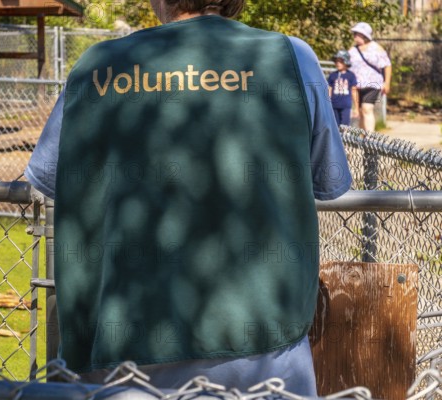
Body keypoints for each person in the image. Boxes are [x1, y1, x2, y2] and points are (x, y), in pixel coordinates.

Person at [25, 0, 351, 395]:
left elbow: (47, 176)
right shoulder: (290, 57)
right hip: (264, 354)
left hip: (115, 352)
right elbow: (328, 182)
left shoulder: (99, 64)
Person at [348, 22, 392, 132]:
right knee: (361, 112)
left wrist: (387, 83)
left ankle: (370, 138)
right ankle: (363, 138)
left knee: (367, 108)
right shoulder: (352, 50)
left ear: (364, 35)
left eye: (357, 34)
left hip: (372, 84)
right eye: (354, 34)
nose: (355, 36)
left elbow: (387, 65)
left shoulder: (376, 48)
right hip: (356, 86)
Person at [328, 50, 359, 127]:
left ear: (346, 62)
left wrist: (356, 107)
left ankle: (344, 139)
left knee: (345, 127)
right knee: (335, 126)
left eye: (341, 61)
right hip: (334, 105)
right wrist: (327, 103)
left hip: (345, 106)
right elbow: (329, 90)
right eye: (336, 61)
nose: (338, 63)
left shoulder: (351, 75)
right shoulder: (332, 75)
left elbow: (354, 91)